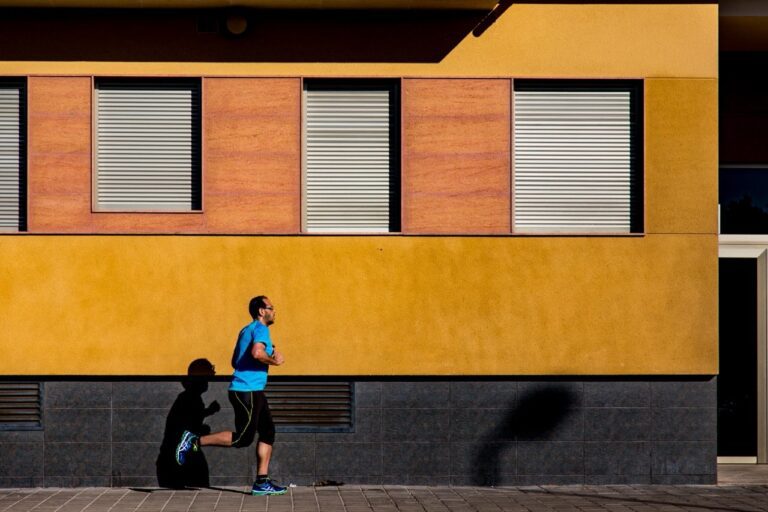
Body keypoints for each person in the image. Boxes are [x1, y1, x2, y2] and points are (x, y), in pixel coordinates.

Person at [175, 296, 287, 496]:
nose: (274, 311)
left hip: (253, 390)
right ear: (262, 311)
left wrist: (269, 352)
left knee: (268, 432)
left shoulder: (246, 330)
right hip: (247, 390)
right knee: (243, 438)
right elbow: (257, 353)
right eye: (271, 308)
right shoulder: (261, 329)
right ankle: (193, 441)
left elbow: (235, 361)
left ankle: (262, 482)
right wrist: (274, 361)